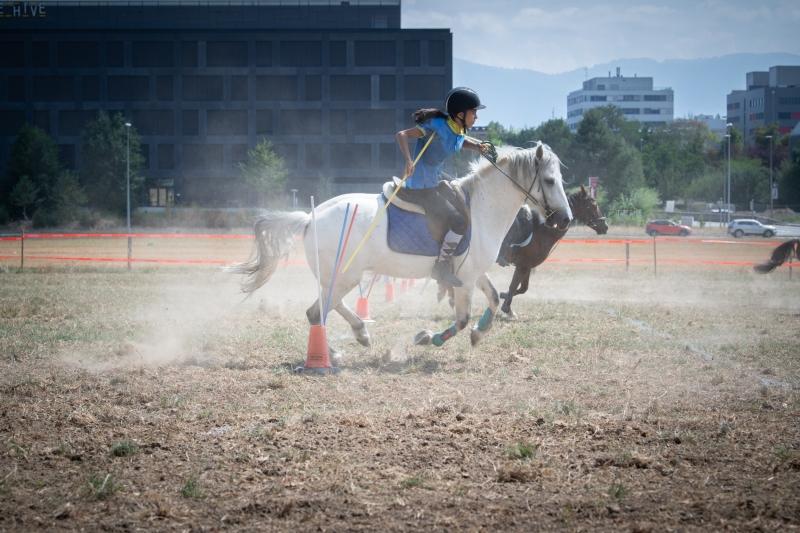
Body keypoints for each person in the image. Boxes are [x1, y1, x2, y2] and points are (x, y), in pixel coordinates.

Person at [395, 87, 496, 287]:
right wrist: (408, 161)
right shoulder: (436, 126)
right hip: (421, 187)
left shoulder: (456, 129)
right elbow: (401, 135)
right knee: (459, 222)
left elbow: (458, 141)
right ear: (460, 114)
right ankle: (440, 268)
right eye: (473, 112)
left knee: (464, 203)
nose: (476, 117)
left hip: (435, 181)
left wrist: (477, 147)